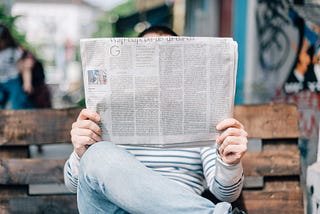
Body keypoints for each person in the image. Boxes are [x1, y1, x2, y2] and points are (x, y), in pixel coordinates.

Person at [64, 25, 248, 214]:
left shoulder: (202, 120)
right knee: (97, 154)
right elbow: (75, 185)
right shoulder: (103, 117)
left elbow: (226, 194)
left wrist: (229, 163)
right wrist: (81, 154)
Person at [0, 23, 33, 109]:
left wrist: (27, 83)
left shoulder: (13, 51)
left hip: (13, 81)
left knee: (17, 100)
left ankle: (18, 116)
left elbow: (24, 68)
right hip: (1, 82)